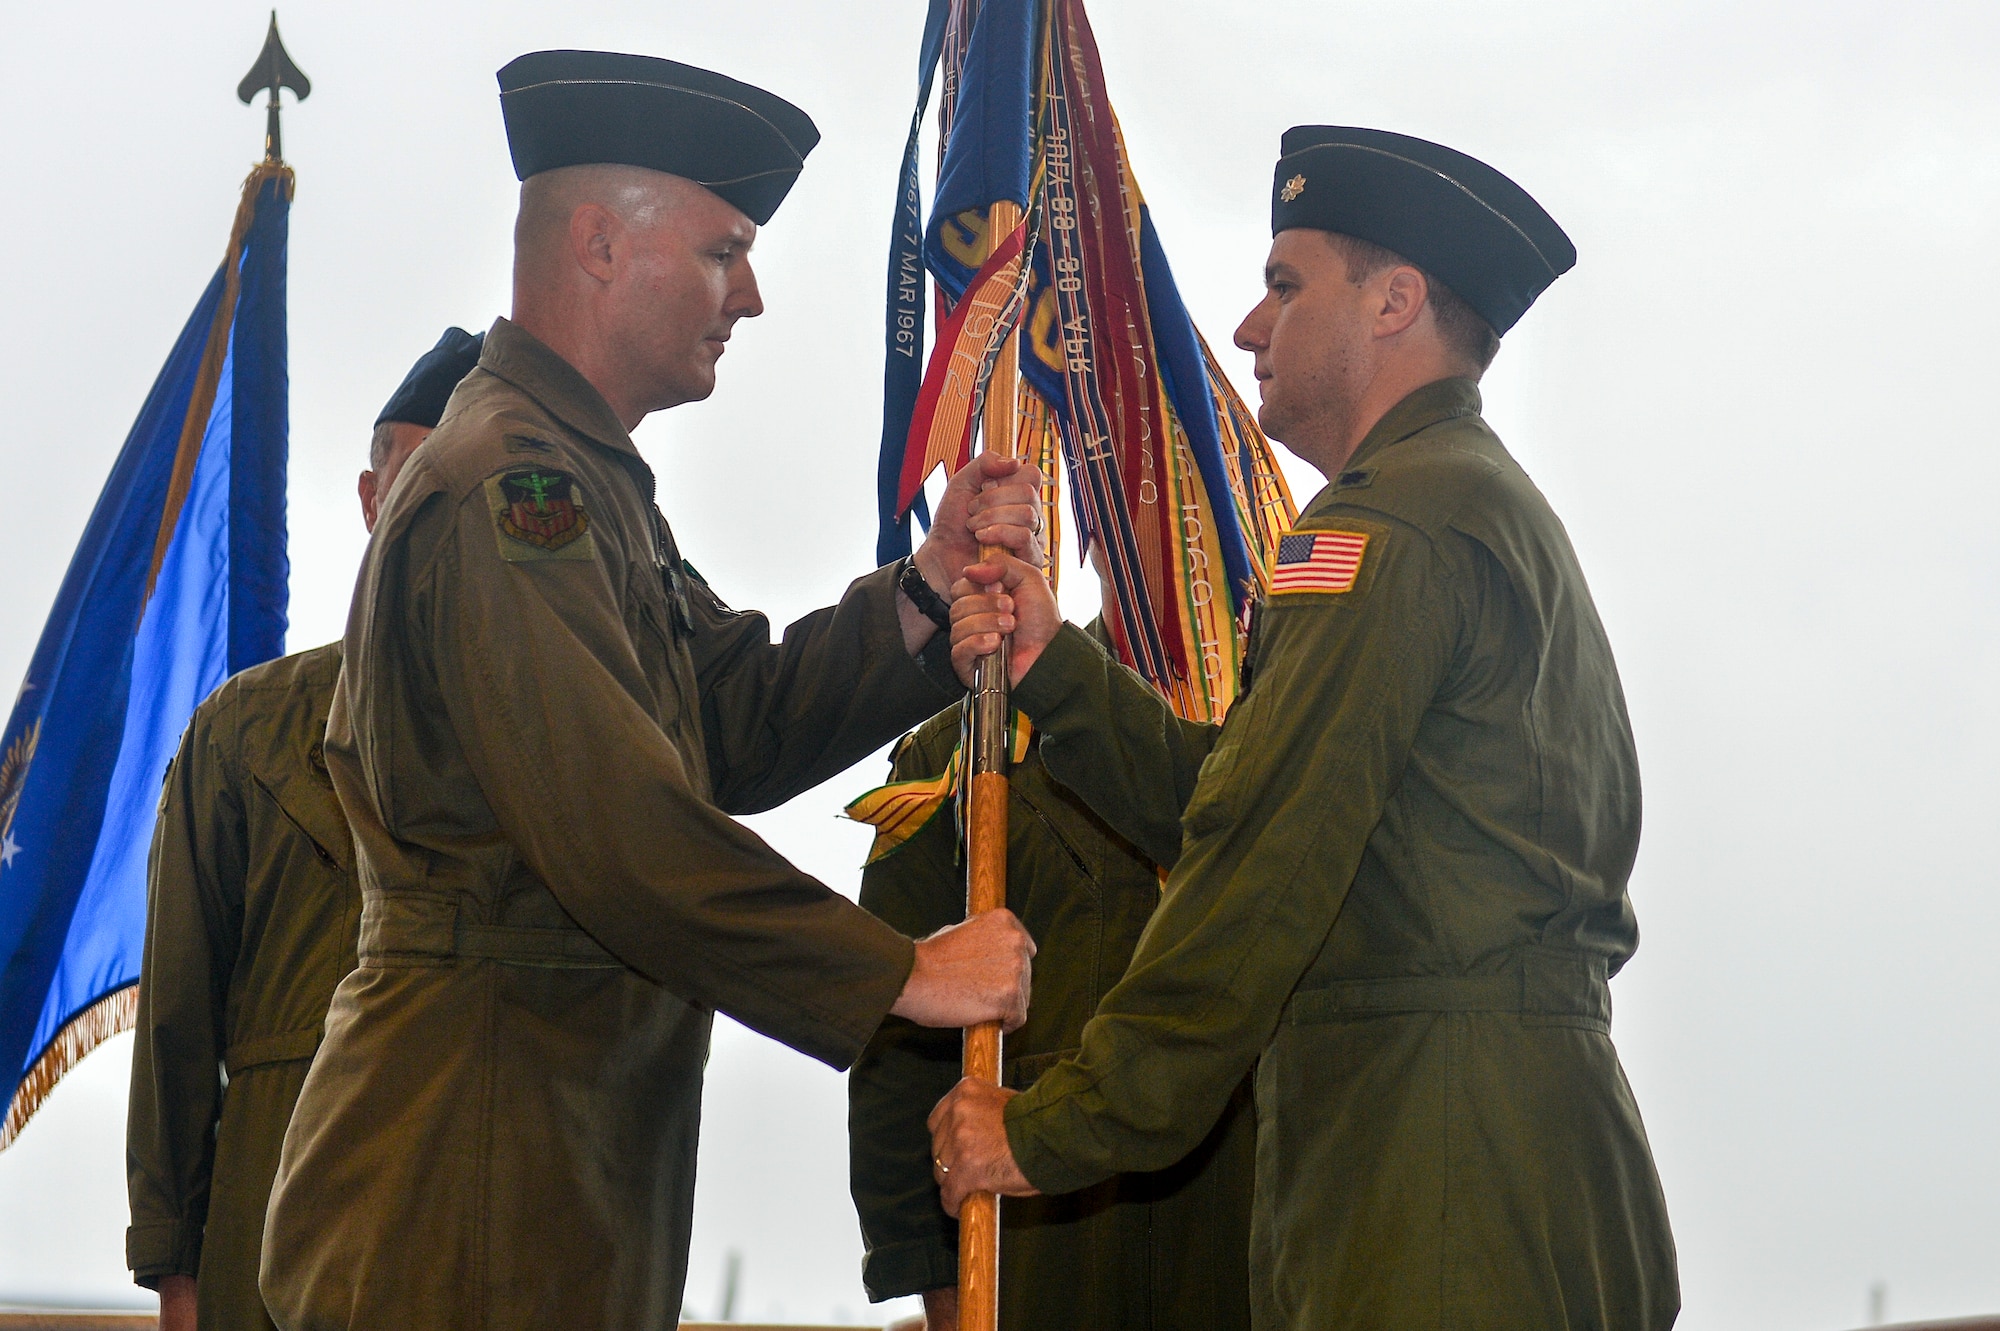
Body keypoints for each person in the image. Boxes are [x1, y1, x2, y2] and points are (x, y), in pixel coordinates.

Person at [258, 51, 1043, 1331]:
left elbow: (720, 719)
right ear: (597, 244)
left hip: (541, 1149)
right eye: (725, 250)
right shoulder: (513, 489)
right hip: (470, 1164)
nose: (752, 295)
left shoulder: (577, 476)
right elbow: (619, 822)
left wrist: (921, 588)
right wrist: (903, 969)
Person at [929, 126, 1680, 1329]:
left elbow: (1253, 864)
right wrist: (1051, 665)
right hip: (1476, 1152)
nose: (1247, 329)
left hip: (1434, 1181)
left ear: (1393, 303)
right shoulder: (1459, 505)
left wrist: (1056, 1124)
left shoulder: (1387, 534)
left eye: (1285, 284)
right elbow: (1241, 796)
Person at [125, 328, 486, 1331]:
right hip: (274, 1208)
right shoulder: (246, 728)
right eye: (413, 476)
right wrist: (177, 1267)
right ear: (372, 498)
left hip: (488, 1210)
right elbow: (179, 1018)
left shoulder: (562, 718)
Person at [849, 577, 1256, 1331]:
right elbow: (898, 1063)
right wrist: (943, 1292)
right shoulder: (966, 753)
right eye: (1119, 459)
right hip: (1044, 1262)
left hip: (1257, 1256)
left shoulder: (1292, 725)